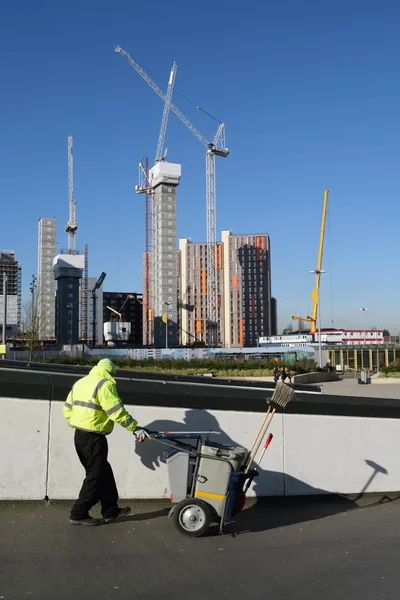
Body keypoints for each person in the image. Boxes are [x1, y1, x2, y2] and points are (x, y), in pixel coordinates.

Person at [63, 358, 138, 527]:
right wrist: (134, 427)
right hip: (94, 438)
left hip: (80, 436)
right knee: (95, 476)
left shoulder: (81, 383)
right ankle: (78, 513)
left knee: (104, 472)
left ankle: (110, 509)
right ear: (109, 371)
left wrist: (77, 426)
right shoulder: (104, 385)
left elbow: (67, 409)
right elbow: (116, 411)